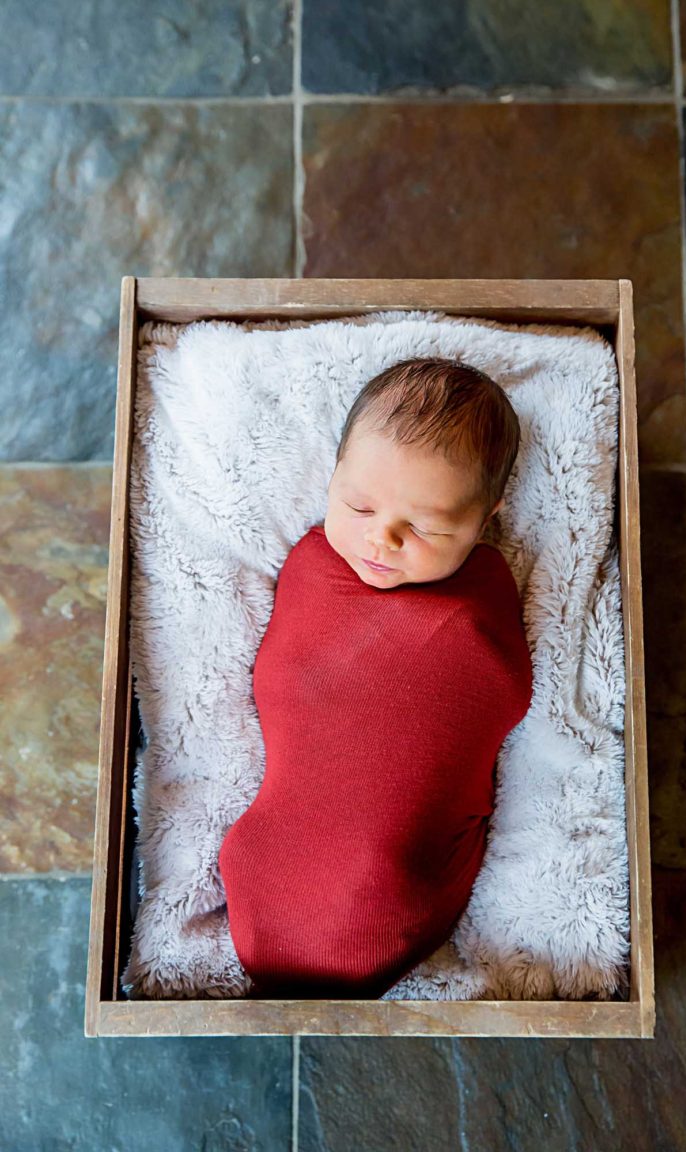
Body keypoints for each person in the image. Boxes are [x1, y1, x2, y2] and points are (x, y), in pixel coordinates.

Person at [218, 357, 533, 999]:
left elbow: (500, 688)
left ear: (487, 517)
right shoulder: (312, 560)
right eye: (357, 504)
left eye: (425, 527)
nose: (380, 539)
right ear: (333, 474)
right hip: (264, 878)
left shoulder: (482, 593)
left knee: (387, 861)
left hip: (398, 890)